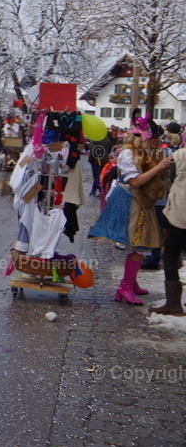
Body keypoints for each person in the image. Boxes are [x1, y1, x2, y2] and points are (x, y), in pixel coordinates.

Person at [88, 117, 171, 305]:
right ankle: (124, 287)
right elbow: (135, 181)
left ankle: (130, 283)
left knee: (139, 244)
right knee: (139, 243)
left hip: (139, 201)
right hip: (130, 201)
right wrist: (158, 167)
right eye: (153, 141)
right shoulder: (128, 153)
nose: (155, 144)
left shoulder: (141, 151)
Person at [150, 140, 186, 315]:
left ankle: (173, 304)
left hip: (181, 214)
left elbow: (169, 179)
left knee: (170, 255)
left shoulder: (179, 155)